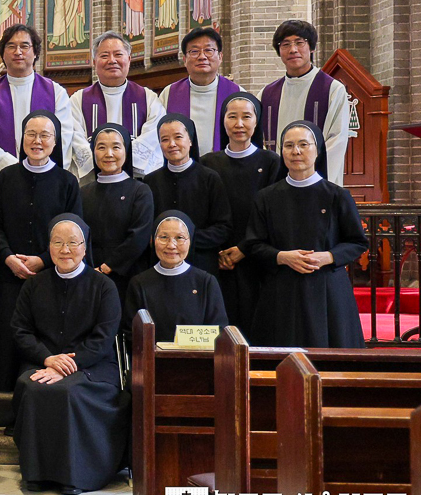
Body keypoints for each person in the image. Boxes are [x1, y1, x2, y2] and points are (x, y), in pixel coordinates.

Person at [11, 214, 127, 495]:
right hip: (43, 361)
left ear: (85, 247)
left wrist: (67, 365)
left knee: (68, 391)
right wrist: (48, 359)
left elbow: (103, 339)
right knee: (31, 386)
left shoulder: (104, 287)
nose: (65, 250)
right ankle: (37, 474)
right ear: (48, 247)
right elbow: (20, 330)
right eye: (58, 243)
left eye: (73, 243)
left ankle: (75, 476)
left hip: (93, 366)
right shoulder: (33, 285)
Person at [0, 111, 82, 402]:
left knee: (41, 338)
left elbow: (75, 231)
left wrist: (43, 260)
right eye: (31, 134)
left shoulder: (67, 182)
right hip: (8, 275)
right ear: (22, 139)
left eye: (44, 135)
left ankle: (37, 400)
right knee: (6, 336)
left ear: (55, 142)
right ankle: (2, 399)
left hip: (49, 278)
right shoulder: (7, 176)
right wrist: (7, 257)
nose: (37, 141)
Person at [246, 121, 368, 348]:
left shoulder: (337, 196)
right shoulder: (266, 198)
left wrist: (328, 256)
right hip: (282, 289)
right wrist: (282, 257)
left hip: (327, 289)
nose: (296, 151)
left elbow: (357, 242)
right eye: (289, 145)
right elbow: (253, 245)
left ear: (318, 150)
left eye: (303, 144)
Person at [201, 92, 281, 334]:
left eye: (246, 117)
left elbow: (273, 214)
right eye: (232, 116)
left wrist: (244, 249)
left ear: (256, 121)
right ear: (222, 121)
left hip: (257, 258)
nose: (239, 124)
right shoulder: (207, 163)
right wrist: (217, 251)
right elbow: (203, 211)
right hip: (217, 258)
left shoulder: (271, 162)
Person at [0, 25, 76, 177]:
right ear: (3, 53)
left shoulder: (56, 93)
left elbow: (63, 136)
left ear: (35, 52)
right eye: (11, 46)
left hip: (45, 176)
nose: (18, 52)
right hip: (1, 178)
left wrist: (40, 166)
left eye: (24, 46)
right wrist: (15, 169)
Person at [259, 20, 350, 184]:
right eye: (285, 44)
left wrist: (307, 175)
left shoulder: (332, 90)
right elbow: (259, 141)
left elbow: (336, 140)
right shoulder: (266, 94)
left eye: (299, 43)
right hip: (277, 184)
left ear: (312, 47)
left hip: (316, 183)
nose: (293, 49)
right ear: (279, 50)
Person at [143, 114, 232, 277]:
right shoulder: (150, 181)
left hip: (201, 263)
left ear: (190, 140)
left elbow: (223, 228)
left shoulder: (210, 178)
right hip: (161, 263)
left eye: (178, 137)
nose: (172, 144)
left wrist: (185, 240)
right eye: (164, 139)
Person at [69, 31, 166, 178]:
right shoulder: (78, 100)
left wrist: (119, 162)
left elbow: (153, 135)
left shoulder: (148, 98)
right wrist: (103, 162)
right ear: (94, 62)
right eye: (104, 56)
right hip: (93, 181)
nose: (112, 60)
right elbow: (75, 137)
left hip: (135, 179)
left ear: (129, 59)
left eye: (118, 54)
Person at [123, 211, 228, 342]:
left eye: (179, 238)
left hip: (198, 355)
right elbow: (132, 333)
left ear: (190, 241)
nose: (171, 245)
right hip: (152, 355)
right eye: (163, 237)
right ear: (153, 240)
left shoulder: (206, 282)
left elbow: (218, 330)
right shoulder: (139, 283)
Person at [80, 124, 154, 302]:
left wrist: (107, 267)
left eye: (116, 147)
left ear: (126, 150)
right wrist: (90, 268)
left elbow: (139, 236)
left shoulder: (140, 191)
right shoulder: (83, 192)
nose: (109, 154)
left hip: (129, 274)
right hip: (91, 275)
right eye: (101, 147)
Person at [157, 27, 243, 155]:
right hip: (182, 165)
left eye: (208, 50)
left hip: (226, 164)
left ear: (220, 57)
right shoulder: (169, 93)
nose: (202, 57)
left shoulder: (237, 93)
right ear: (185, 60)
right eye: (194, 51)